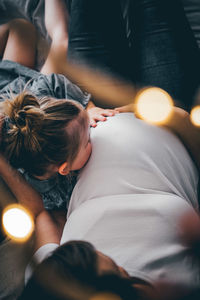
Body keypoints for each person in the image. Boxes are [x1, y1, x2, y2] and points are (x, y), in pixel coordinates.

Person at [0, 0, 117, 211]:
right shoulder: (52, 193)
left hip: (11, 88)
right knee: (56, 38)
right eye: (87, 141)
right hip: (16, 100)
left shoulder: (39, 94)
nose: (93, 132)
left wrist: (88, 107)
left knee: (26, 29)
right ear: (64, 168)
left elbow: (55, 81)